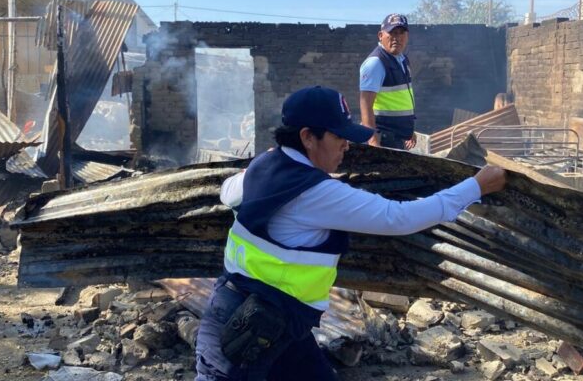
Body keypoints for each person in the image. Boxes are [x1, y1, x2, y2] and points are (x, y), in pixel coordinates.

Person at [195, 86, 507, 381]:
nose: (347, 145)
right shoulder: (314, 193)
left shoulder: (265, 165)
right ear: (308, 137)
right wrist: (475, 187)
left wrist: (253, 169)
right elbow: (399, 218)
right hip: (243, 331)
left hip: (276, 320)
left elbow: (227, 192)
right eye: (338, 136)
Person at [359, 13, 416, 150]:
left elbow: (402, 99)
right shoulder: (376, 63)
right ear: (380, 35)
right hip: (384, 138)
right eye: (392, 33)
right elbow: (365, 104)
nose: (397, 38)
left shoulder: (402, 60)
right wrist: (373, 141)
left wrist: (409, 130)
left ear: (407, 36)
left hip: (397, 137)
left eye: (401, 33)